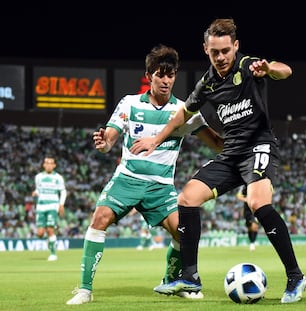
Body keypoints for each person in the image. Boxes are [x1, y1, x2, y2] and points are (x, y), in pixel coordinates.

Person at [130, 18, 306, 304]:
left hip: (258, 147)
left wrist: (269, 69)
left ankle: (295, 277)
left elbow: (285, 71)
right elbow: (181, 116)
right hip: (230, 154)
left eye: (226, 50)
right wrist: (155, 140)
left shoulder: (249, 65)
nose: (221, 57)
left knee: (257, 203)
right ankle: (190, 277)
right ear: (206, 50)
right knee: (187, 198)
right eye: (215, 52)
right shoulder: (208, 83)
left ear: (235, 46)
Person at [66, 44, 223, 305]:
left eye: (170, 75)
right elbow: (109, 140)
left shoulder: (184, 111)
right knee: (99, 219)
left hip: (160, 187)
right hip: (127, 179)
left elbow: (217, 143)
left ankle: (171, 281)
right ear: (149, 75)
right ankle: (84, 289)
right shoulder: (129, 103)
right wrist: (104, 144)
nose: (166, 80)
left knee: (183, 234)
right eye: (160, 74)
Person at [32, 156, 66, 261]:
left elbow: (63, 191)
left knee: (50, 229)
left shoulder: (58, 178)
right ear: (44, 165)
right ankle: (50, 239)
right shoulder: (38, 177)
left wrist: (61, 204)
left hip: (53, 205)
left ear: (54, 165)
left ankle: (53, 254)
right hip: (41, 206)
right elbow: (39, 189)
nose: (49, 165)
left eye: (51, 163)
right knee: (40, 233)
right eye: (47, 163)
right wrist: (35, 193)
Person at [236, 185, 259, 251]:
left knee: (255, 226)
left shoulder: (258, 185)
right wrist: (246, 199)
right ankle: (252, 242)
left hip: (255, 210)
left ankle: (252, 243)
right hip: (247, 211)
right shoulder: (244, 186)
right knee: (249, 228)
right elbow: (239, 196)